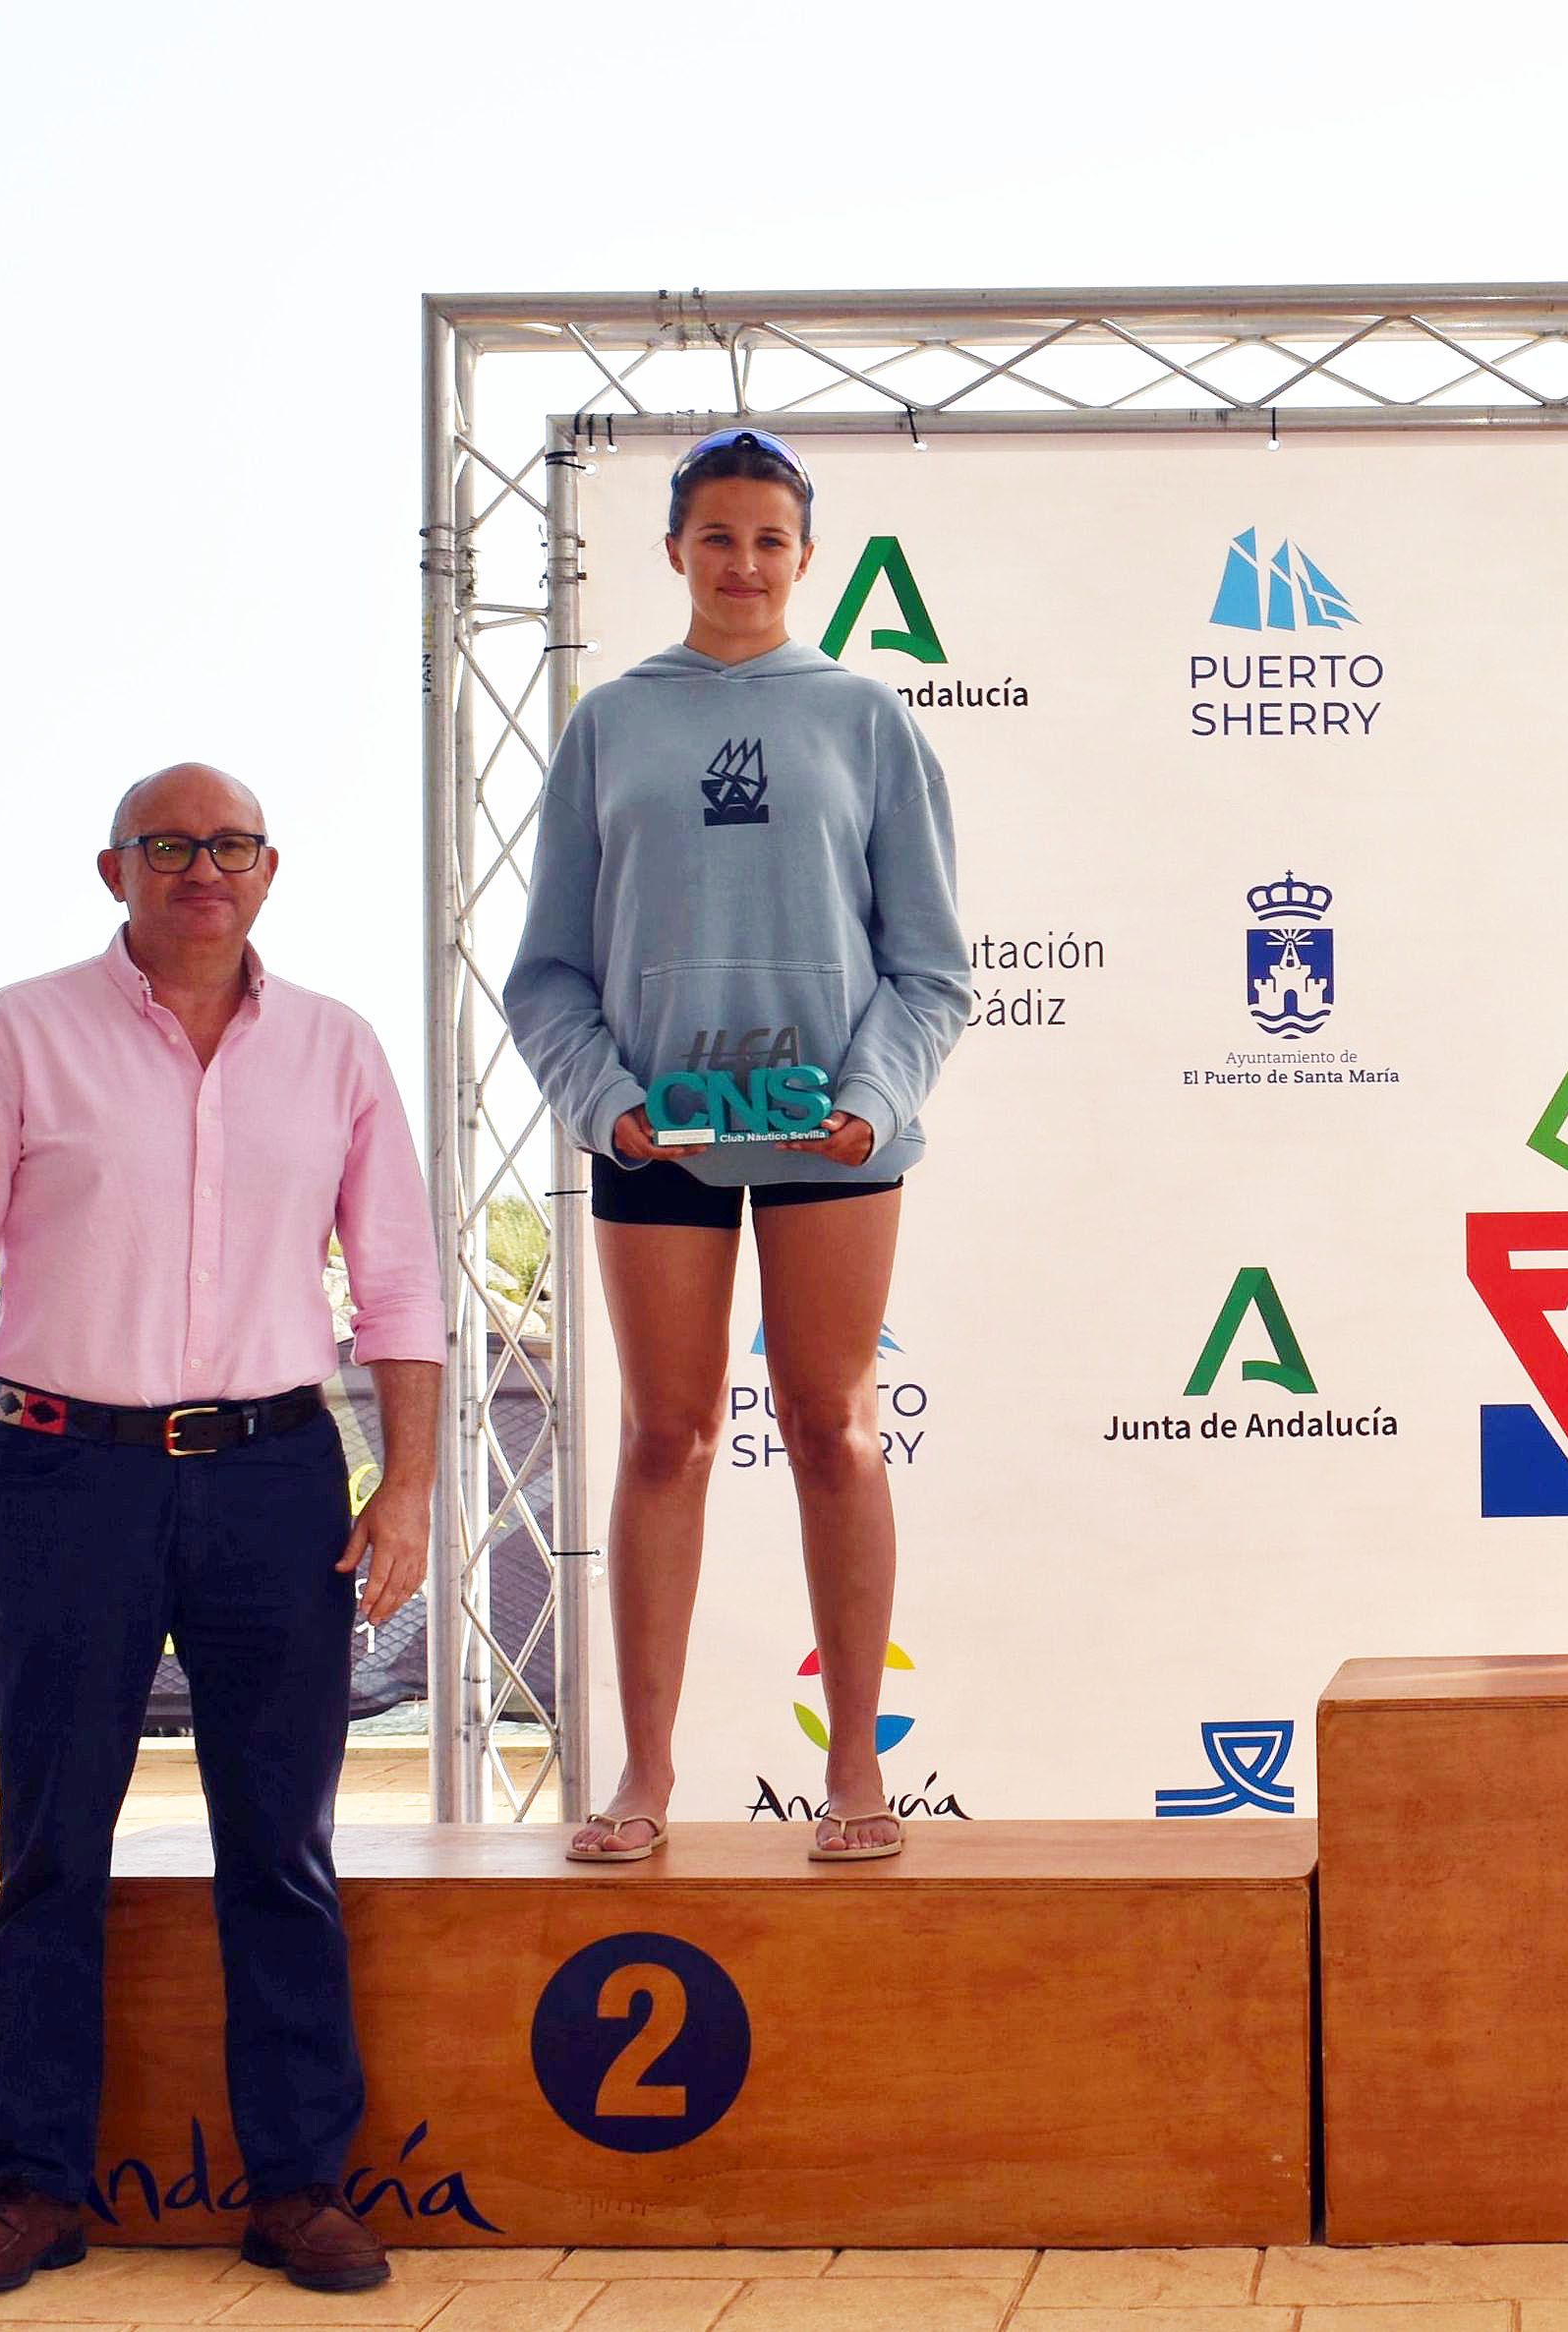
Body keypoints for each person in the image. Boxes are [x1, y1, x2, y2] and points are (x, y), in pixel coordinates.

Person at [0, 765, 443, 2301]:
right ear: (114, 869)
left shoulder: (336, 1048)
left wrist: (405, 1483)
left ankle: (300, 2188)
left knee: (285, 1846)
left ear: (270, 871)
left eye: (233, 846)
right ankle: (33, 2184)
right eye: (173, 846)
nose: (206, 869)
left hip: (275, 1481)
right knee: (52, 1841)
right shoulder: (17, 1032)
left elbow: (397, 1281)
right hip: (68, 1480)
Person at [508, 426, 967, 1863]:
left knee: (834, 1432)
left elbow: (930, 966)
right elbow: (548, 974)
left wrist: (874, 1101)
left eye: (771, 539)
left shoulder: (867, 720)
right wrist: (609, 1104)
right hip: (656, 1139)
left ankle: (855, 1781)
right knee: (664, 1436)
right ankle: (644, 1776)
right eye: (718, 538)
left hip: (834, 1138)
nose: (745, 564)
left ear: (806, 556)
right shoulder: (609, 723)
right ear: (672, 554)